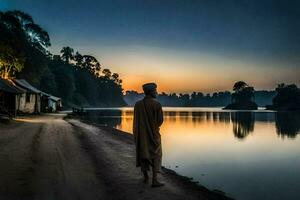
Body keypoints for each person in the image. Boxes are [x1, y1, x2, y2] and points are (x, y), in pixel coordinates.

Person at [133, 82, 164, 187]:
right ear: (151, 92)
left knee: (143, 154)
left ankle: (146, 178)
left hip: (141, 134)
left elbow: (136, 121)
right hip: (154, 134)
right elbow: (160, 121)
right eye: (155, 90)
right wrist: (153, 127)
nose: (157, 92)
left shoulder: (137, 105)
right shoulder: (157, 104)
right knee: (156, 155)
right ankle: (154, 180)